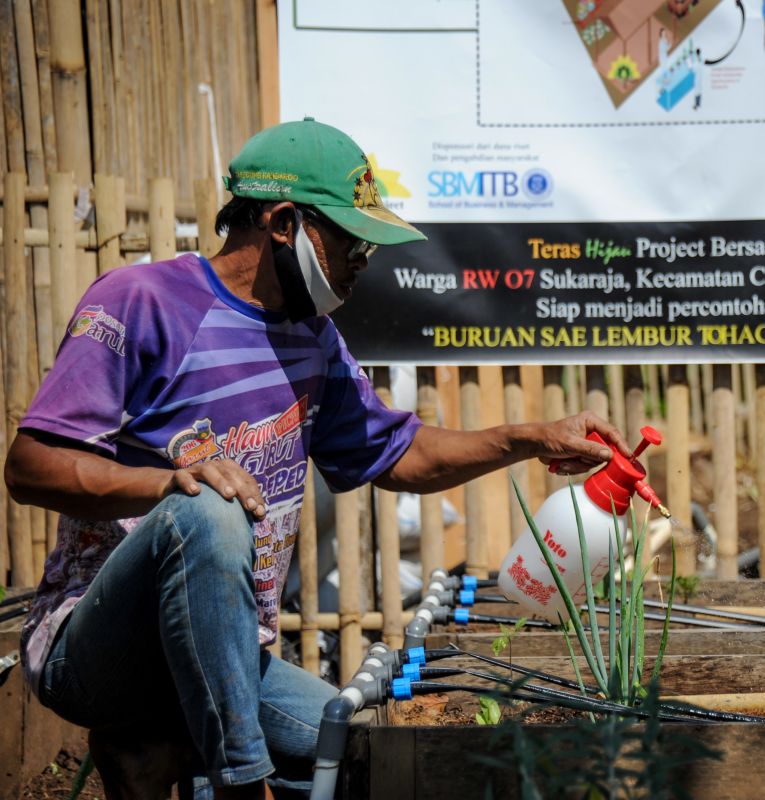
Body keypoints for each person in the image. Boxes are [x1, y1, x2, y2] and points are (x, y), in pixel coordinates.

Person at [5, 118, 630, 799]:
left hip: (228, 662)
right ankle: (242, 782)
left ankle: (182, 750)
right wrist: (165, 485)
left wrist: (532, 438)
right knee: (209, 510)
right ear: (282, 223)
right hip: (97, 648)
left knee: (363, 754)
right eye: (351, 240)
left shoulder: (314, 340)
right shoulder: (143, 302)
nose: (365, 258)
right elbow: (31, 464)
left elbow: (402, 453)